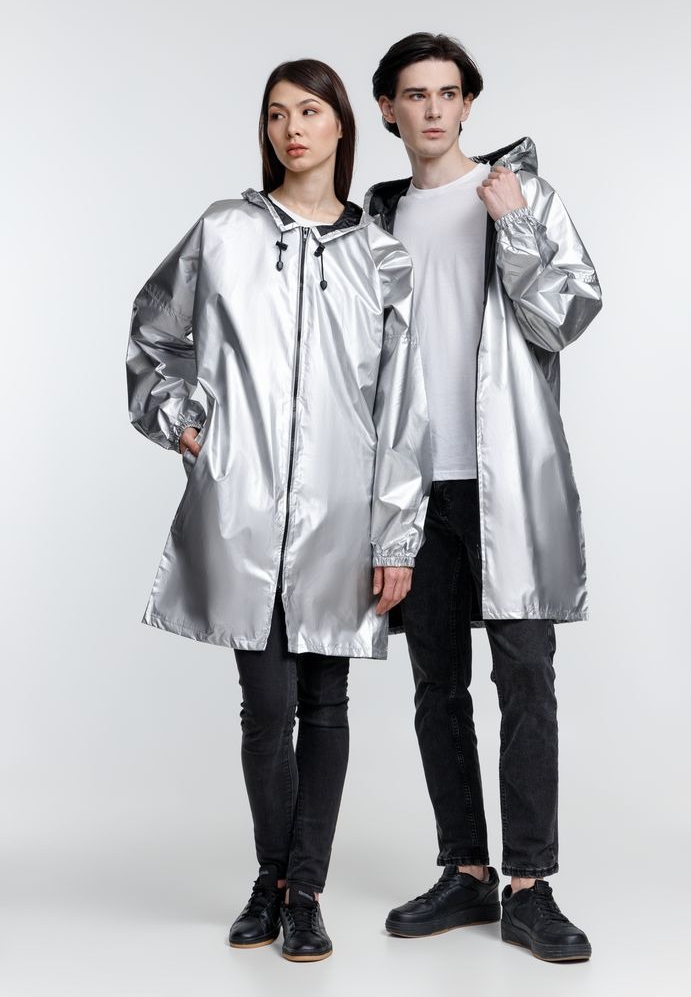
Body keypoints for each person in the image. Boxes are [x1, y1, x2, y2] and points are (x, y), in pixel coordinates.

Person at [126, 58, 431, 963]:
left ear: (342, 125)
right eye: (275, 115)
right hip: (247, 511)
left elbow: (403, 409)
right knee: (265, 707)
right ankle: (273, 879)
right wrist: (184, 422)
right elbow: (154, 332)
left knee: (325, 704)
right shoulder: (225, 230)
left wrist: (397, 534)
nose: (292, 129)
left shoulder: (382, 257)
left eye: (309, 111)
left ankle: (306, 893)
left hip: (343, 515)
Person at [365, 33, 602, 962]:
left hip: (506, 480)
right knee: (436, 685)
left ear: (468, 104)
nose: (432, 109)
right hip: (412, 487)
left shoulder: (519, 195)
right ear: (387, 109)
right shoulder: (377, 219)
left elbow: (566, 317)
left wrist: (518, 229)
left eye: (447, 93)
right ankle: (465, 871)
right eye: (414, 94)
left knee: (526, 679)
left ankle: (530, 887)